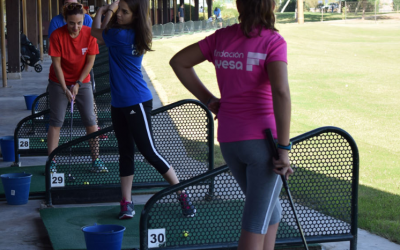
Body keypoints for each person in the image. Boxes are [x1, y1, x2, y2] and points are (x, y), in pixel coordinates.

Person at [169, 0, 293, 248]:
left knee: (271, 211)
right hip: (262, 144)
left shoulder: (221, 37)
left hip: (229, 140)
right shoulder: (273, 41)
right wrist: (284, 148)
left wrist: (208, 99)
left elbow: (179, 62)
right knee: (255, 224)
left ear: (239, 4)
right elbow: (281, 92)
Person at [91, 0, 196, 220]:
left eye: (124, 12)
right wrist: (113, 10)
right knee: (125, 153)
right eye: (119, 11)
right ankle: (126, 202)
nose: (119, 15)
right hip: (119, 103)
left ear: (135, 17)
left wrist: (104, 9)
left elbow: (95, 31)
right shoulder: (132, 34)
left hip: (136, 102)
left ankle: (182, 193)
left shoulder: (119, 37)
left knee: (149, 152)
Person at [47, 2, 105, 174]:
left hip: (83, 81)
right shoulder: (57, 35)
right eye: (72, 23)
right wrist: (65, 88)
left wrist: (78, 83)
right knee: (56, 121)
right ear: (65, 20)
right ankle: (51, 161)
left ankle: (96, 160)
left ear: (83, 20)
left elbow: (90, 62)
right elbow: (56, 65)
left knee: (90, 119)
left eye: (79, 23)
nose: (76, 27)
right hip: (59, 81)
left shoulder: (89, 34)